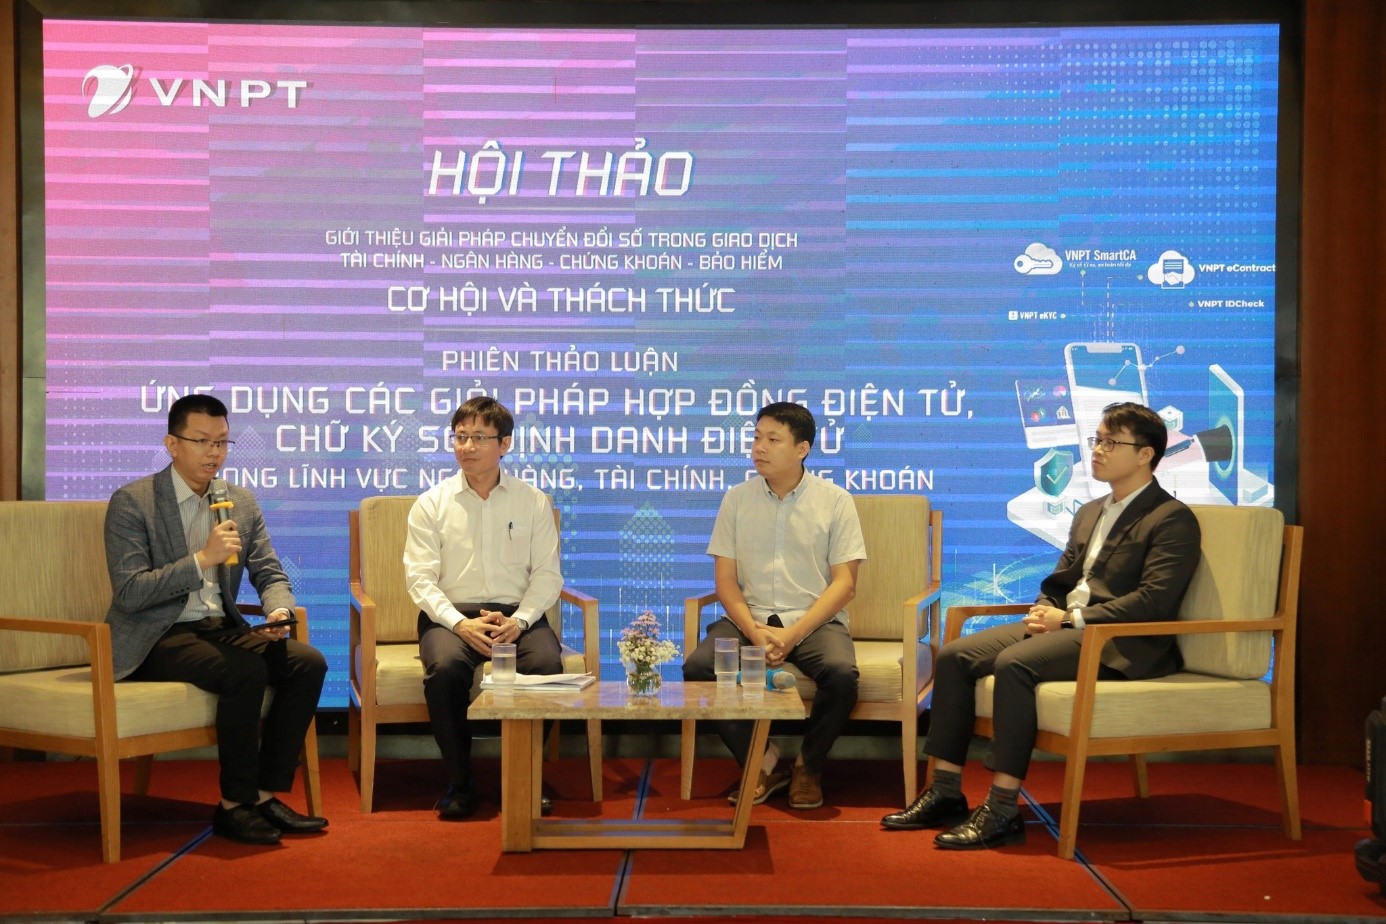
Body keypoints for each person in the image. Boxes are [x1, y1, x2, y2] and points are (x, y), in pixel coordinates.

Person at [881, 401, 1201, 849]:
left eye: (1111, 442)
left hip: (1118, 641)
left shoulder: (1171, 518)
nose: (1098, 450)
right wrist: (1044, 610)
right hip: (1067, 625)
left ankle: (1002, 808)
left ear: (1146, 454)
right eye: (1097, 440)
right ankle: (945, 791)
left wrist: (1069, 618)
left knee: (1015, 663)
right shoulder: (1090, 511)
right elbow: (1060, 580)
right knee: (954, 656)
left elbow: (1154, 600)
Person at [104, 394, 328, 846]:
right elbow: (130, 592)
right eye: (202, 441)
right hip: (155, 636)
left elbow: (269, 571)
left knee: (307, 662)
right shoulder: (133, 502)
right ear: (172, 444)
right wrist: (202, 559)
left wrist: (278, 610)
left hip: (217, 629)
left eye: (222, 442)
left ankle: (264, 794)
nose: (214, 453)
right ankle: (233, 806)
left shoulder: (237, 501)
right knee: (244, 670)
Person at [683, 402, 867, 810]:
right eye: (756, 438)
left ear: (802, 448)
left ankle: (808, 766)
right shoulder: (737, 499)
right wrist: (753, 632)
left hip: (813, 622)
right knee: (698, 668)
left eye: (772, 439)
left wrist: (792, 634)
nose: (759, 448)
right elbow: (725, 580)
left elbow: (845, 584)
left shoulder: (835, 501)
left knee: (841, 675)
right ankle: (760, 760)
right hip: (748, 618)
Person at [404, 396, 564, 820]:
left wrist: (520, 620)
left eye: (478, 437)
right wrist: (460, 624)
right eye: (460, 437)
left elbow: (548, 575)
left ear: (504, 444)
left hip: (517, 616)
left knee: (547, 666)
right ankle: (460, 783)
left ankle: (524, 776)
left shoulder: (532, 501)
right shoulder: (432, 503)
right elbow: (420, 579)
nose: (466, 447)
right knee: (445, 671)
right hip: (451, 617)